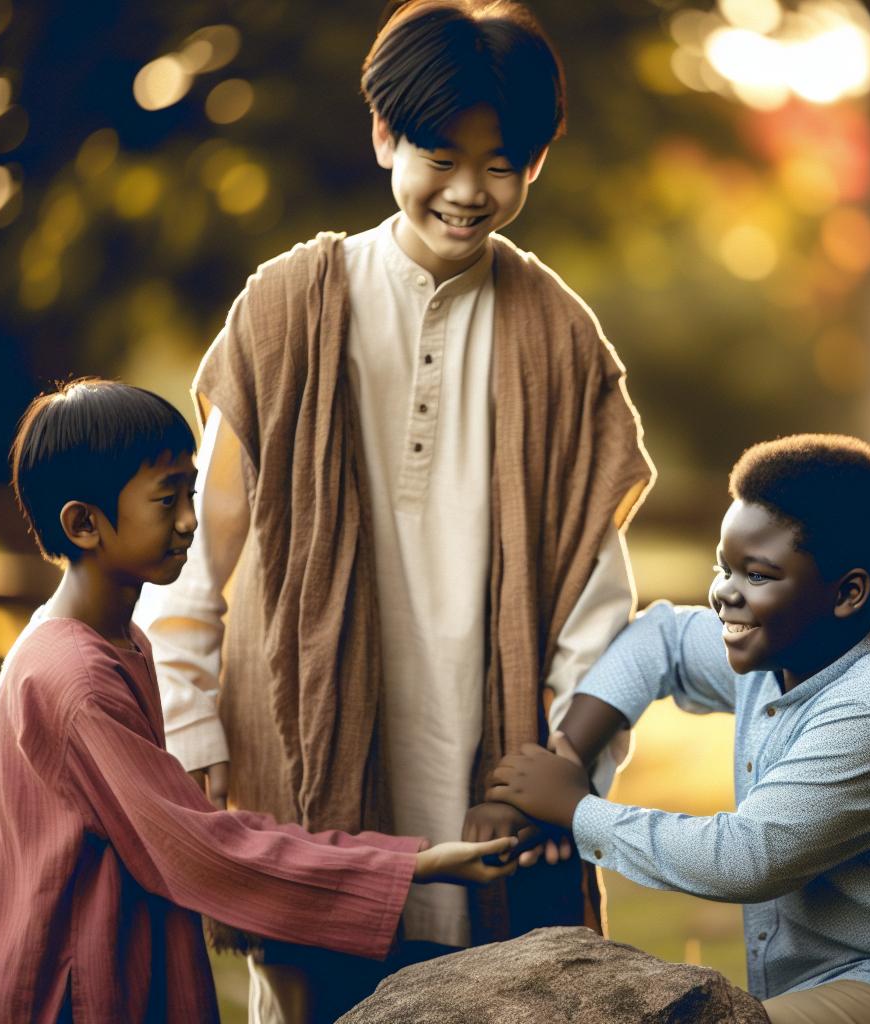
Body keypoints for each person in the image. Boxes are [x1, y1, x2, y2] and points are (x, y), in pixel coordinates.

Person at [133, 1, 654, 1020]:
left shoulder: (560, 340)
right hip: (299, 765)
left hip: (485, 771)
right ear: (382, 136)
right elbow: (198, 547)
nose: (467, 191)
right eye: (437, 154)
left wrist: (557, 767)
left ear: (535, 165)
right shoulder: (287, 307)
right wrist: (188, 727)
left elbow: (598, 599)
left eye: (500, 163)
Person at [0, 379, 517, 1024]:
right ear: (83, 523)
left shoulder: (116, 640)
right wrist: (412, 866)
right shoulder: (75, 678)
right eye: (167, 500)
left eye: (189, 493)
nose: (191, 519)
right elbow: (198, 848)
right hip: (71, 991)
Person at [486, 435, 870, 1024]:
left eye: (757, 574)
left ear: (848, 593)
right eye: (724, 567)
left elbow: (746, 858)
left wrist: (574, 807)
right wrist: (568, 755)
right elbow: (657, 641)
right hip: (824, 983)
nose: (724, 593)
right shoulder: (781, 654)